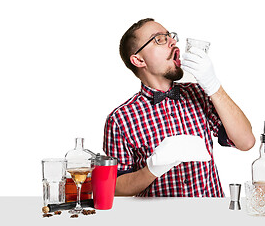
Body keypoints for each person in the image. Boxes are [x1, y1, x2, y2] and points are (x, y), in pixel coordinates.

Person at [103, 18, 255, 197]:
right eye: (159, 39)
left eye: (170, 36)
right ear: (138, 60)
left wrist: (214, 86)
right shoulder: (120, 119)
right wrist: (152, 169)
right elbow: (115, 188)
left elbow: (246, 142)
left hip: (211, 215)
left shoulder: (200, 94)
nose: (173, 42)